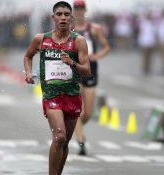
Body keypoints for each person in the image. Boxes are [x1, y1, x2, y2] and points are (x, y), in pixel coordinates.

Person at [23, 1, 90, 175]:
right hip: (51, 96)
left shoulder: (79, 41)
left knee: (64, 143)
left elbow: (87, 70)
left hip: (72, 96)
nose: (62, 18)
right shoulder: (41, 39)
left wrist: (72, 63)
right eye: (59, 14)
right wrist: (29, 73)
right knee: (58, 136)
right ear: (53, 18)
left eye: (66, 15)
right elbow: (28, 56)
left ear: (71, 18)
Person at [72, 0, 110, 156]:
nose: (79, 11)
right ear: (73, 10)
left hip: (91, 71)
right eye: (76, 8)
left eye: (81, 8)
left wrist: (96, 56)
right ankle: (81, 142)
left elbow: (106, 47)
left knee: (87, 113)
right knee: (76, 110)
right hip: (74, 71)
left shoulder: (94, 29)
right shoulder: (68, 29)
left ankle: (76, 126)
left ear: (85, 10)